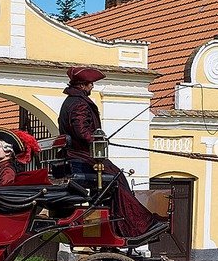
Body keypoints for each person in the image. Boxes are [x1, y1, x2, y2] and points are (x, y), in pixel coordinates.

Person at [57, 66, 165, 238]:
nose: (92, 87)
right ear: (83, 85)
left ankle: (121, 224)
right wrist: (97, 139)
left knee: (117, 177)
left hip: (75, 156)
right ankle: (137, 225)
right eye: (91, 84)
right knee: (117, 179)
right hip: (83, 157)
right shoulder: (79, 103)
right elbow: (81, 130)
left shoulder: (70, 101)